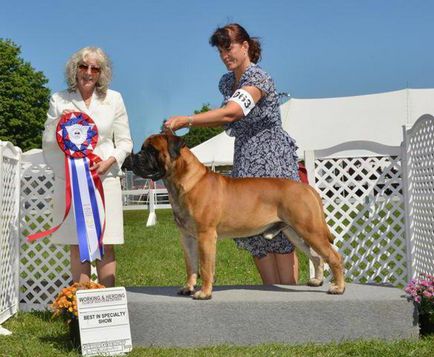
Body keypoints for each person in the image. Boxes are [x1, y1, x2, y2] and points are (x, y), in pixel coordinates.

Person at [165, 23, 299, 285]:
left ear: (245, 46)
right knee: (254, 235)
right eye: (220, 52)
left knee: (282, 233)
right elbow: (224, 116)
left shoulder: (259, 78)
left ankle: (290, 296)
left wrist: (188, 120)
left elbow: (231, 113)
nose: (225, 56)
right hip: (246, 157)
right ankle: (269, 296)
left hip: (271, 157)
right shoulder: (226, 82)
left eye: (229, 48)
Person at [42, 47, 133, 287]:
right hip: (73, 180)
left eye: (95, 68)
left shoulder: (114, 99)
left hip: (106, 179)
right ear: (75, 69)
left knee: (107, 242)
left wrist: (110, 161)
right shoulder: (59, 99)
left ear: (102, 73)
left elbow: (125, 142)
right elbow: (49, 140)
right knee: (78, 243)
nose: (88, 72)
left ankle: (108, 303)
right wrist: (65, 130)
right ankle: (81, 307)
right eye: (83, 66)